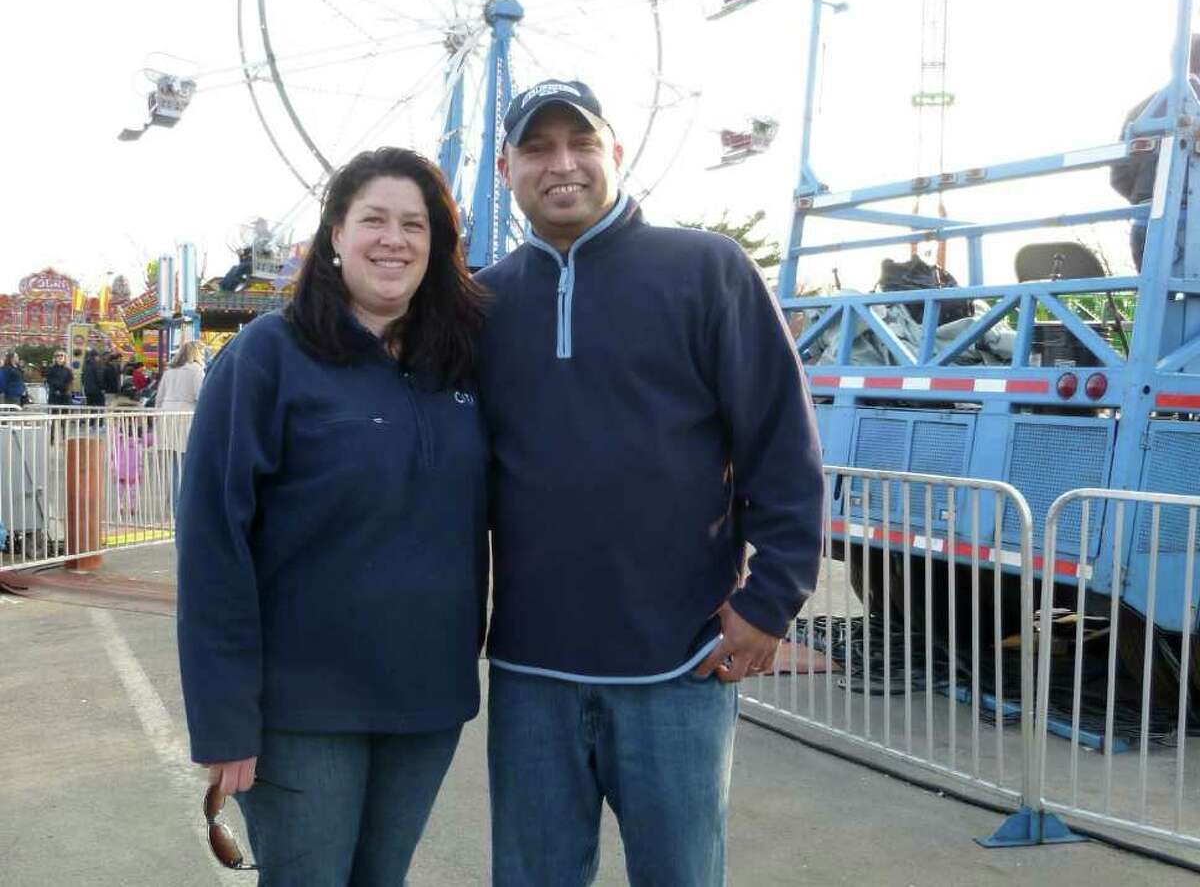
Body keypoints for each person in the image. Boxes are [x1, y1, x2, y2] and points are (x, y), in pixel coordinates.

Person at [476, 79, 825, 887]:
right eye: (537, 148)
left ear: (616, 154)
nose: (561, 165)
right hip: (531, 671)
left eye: (581, 143)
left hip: (678, 666)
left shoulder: (707, 270)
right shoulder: (484, 302)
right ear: (506, 168)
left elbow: (781, 442)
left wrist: (771, 601)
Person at [176, 146, 489, 886]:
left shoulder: (460, 364)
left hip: (426, 700)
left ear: (438, 246)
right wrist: (224, 719)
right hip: (303, 707)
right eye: (373, 219)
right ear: (336, 235)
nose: (394, 239)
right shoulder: (268, 356)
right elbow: (213, 543)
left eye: (415, 224)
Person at [1111, 32, 1200, 270]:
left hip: (1146, 222)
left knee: (1154, 302)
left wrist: (1148, 199)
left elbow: (1118, 177)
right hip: (1194, 222)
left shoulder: (1140, 111)